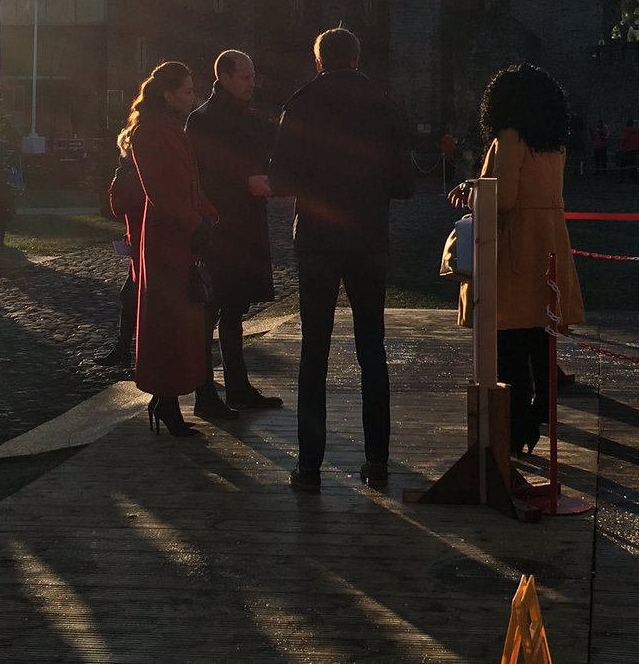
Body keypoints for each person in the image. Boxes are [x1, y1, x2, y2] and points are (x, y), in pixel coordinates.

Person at [268, 27, 415, 492]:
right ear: (357, 59)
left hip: (317, 239)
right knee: (372, 349)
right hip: (368, 238)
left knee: (314, 352)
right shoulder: (384, 105)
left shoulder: (302, 104)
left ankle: (309, 466)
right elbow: (406, 184)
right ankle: (377, 461)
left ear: (318, 61)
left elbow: (281, 179)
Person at [450, 65, 585, 457]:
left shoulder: (511, 136)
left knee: (509, 341)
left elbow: (504, 197)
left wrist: (468, 194)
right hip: (549, 241)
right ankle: (538, 415)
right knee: (540, 338)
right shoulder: (553, 141)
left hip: (515, 247)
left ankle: (517, 426)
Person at [121, 62, 218, 437]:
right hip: (165, 238)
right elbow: (159, 192)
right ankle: (165, 397)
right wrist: (197, 222)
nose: (193, 97)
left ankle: (169, 397)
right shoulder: (148, 132)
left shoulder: (174, 129)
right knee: (167, 319)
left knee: (185, 319)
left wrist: (208, 214)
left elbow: (190, 183)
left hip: (182, 233)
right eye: (187, 91)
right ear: (168, 95)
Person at [185, 49, 282, 416]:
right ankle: (205, 392)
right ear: (224, 77)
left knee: (233, 309)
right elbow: (201, 176)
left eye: (252, 76)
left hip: (244, 226)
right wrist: (245, 182)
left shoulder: (249, 118)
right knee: (210, 311)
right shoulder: (202, 120)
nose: (251, 83)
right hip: (218, 229)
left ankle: (237, 386)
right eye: (245, 77)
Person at [93, 146, 145, 367]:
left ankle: (126, 349)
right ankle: (123, 348)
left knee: (133, 296)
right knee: (130, 296)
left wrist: (120, 177)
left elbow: (117, 207)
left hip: (145, 243)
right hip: (139, 243)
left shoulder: (132, 174)